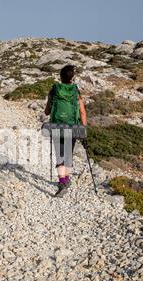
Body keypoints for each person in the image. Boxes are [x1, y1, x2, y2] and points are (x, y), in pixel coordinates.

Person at [44, 65, 88, 197]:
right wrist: (83, 129)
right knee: (68, 154)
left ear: (60, 76)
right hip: (72, 127)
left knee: (60, 155)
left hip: (57, 127)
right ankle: (66, 179)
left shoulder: (54, 90)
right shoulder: (76, 91)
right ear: (72, 78)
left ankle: (62, 182)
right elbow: (82, 113)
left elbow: (47, 111)